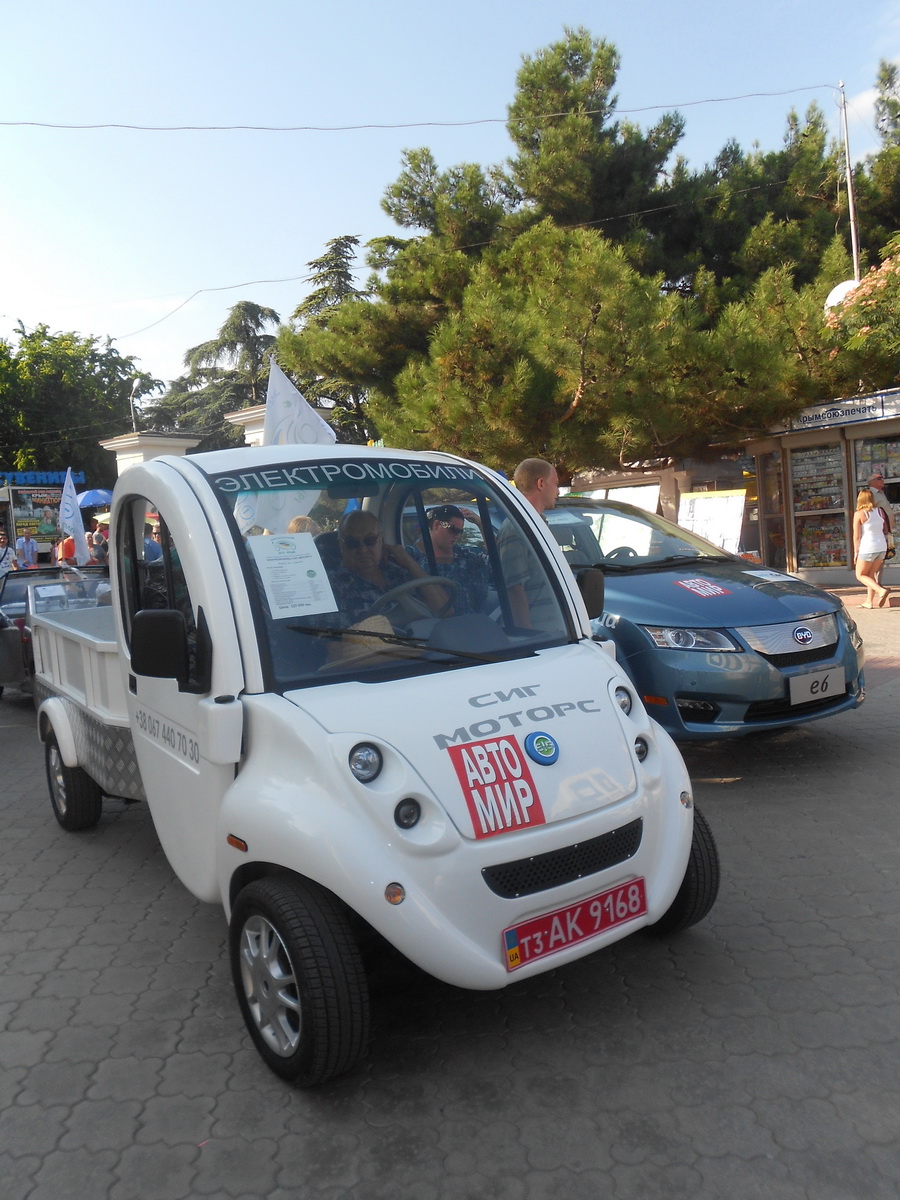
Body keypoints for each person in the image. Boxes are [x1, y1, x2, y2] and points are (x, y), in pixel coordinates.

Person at [329, 510, 450, 626]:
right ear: (341, 545)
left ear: (380, 539)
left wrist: (408, 561)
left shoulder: (400, 571)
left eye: (370, 540)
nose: (362, 549)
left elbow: (446, 611)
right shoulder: (333, 587)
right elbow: (334, 639)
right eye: (352, 543)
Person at [497, 458, 560, 628]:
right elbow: (514, 589)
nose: (558, 491)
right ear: (541, 484)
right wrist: (527, 633)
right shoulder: (516, 528)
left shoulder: (537, 524)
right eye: (555, 483)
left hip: (555, 629)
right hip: (537, 632)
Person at [409, 504, 491, 616]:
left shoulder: (465, 555)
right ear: (437, 525)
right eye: (453, 529)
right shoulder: (410, 557)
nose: (457, 536)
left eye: (460, 532)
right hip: (429, 625)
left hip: (473, 622)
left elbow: (497, 559)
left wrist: (481, 524)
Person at [852, 488, 890, 608]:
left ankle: (880, 590)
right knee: (871, 574)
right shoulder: (880, 511)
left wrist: (856, 552)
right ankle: (869, 602)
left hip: (868, 547)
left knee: (860, 575)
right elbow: (884, 529)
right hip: (881, 547)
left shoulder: (859, 514)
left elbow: (856, 536)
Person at [867, 472, 894, 586]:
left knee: (882, 558)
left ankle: (878, 583)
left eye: (882, 478)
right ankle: (874, 584)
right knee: (877, 559)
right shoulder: (870, 494)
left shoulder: (881, 493)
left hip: (886, 531)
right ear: (871, 482)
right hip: (878, 531)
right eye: (879, 478)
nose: (882, 480)